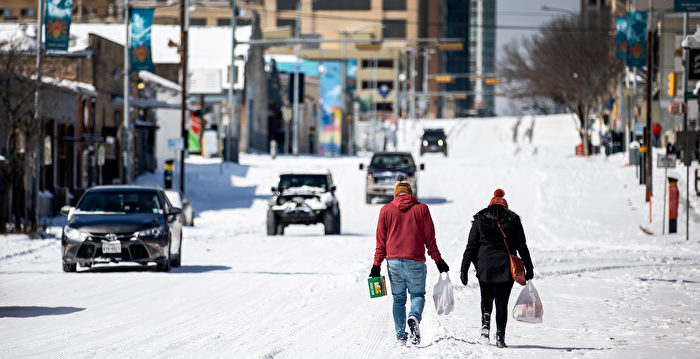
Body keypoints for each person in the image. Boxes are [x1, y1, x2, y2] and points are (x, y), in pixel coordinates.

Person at [370, 179, 449, 346]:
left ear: (395, 193)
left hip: (393, 263)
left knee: (398, 300)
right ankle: (414, 316)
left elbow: (381, 243)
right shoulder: (422, 209)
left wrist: (376, 265)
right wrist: (439, 260)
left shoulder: (385, 210)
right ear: (410, 193)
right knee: (417, 295)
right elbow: (430, 240)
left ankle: (400, 337)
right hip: (415, 262)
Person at [460, 189, 534, 348]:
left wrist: (464, 268)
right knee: (502, 302)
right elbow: (522, 246)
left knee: (486, 299)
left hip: (484, 266)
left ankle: (485, 329)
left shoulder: (480, 218)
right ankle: (500, 336)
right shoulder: (513, 219)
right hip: (505, 267)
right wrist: (529, 267)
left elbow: (471, 246)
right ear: (505, 206)